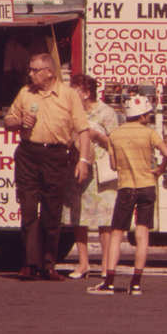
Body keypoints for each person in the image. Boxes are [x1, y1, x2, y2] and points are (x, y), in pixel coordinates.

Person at [4, 53, 91, 281]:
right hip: (28, 153)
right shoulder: (25, 92)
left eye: (35, 70)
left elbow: (83, 130)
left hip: (56, 155)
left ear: (50, 72)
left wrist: (83, 160)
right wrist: (19, 121)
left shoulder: (68, 95)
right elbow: (8, 120)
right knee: (29, 209)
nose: (30, 73)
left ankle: (49, 263)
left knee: (52, 211)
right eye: (30, 69)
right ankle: (30, 263)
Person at [87, 95, 167, 296]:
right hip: (147, 186)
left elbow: (114, 165)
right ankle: (135, 283)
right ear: (142, 116)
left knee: (116, 234)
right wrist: (159, 169)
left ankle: (108, 281)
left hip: (126, 188)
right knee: (142, 235)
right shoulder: (149, 133)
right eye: (148, 114)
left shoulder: (115, 135)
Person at [67, 74, 119, 279]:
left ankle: (106, 264)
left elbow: (115, 143)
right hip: (79, 167)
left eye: (75, 90)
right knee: (79, 217)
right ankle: (83, 263)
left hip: (102, 172)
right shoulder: (73, 113)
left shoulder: (106, 112)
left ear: (86, 93)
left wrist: (99, 137)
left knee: (104, 219)